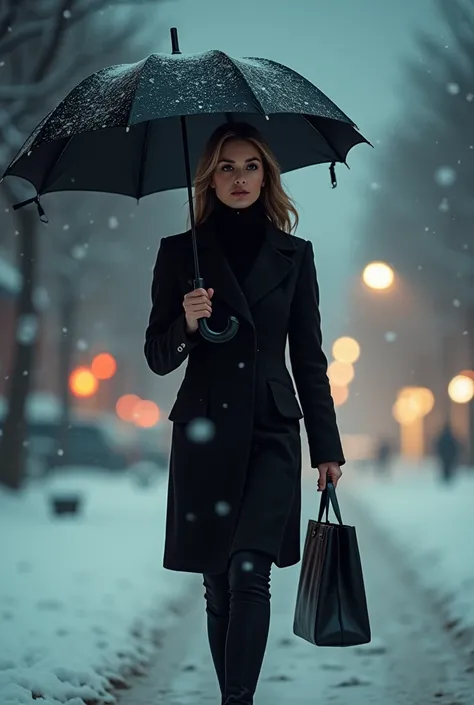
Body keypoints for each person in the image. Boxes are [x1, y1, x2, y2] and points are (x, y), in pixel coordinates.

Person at [144, 121, 345, 705]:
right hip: (206, 432)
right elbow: (158, 358)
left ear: (267, 175)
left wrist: (327, 446)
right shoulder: (181, 254)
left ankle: (238, 702)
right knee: (218, 584)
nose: (239, 178)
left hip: (271, 430)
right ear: (210, 175)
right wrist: (185, 320)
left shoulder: (294, 255)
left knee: (249, 571)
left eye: (250, 166)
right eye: (227, 167)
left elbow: (309, 357)